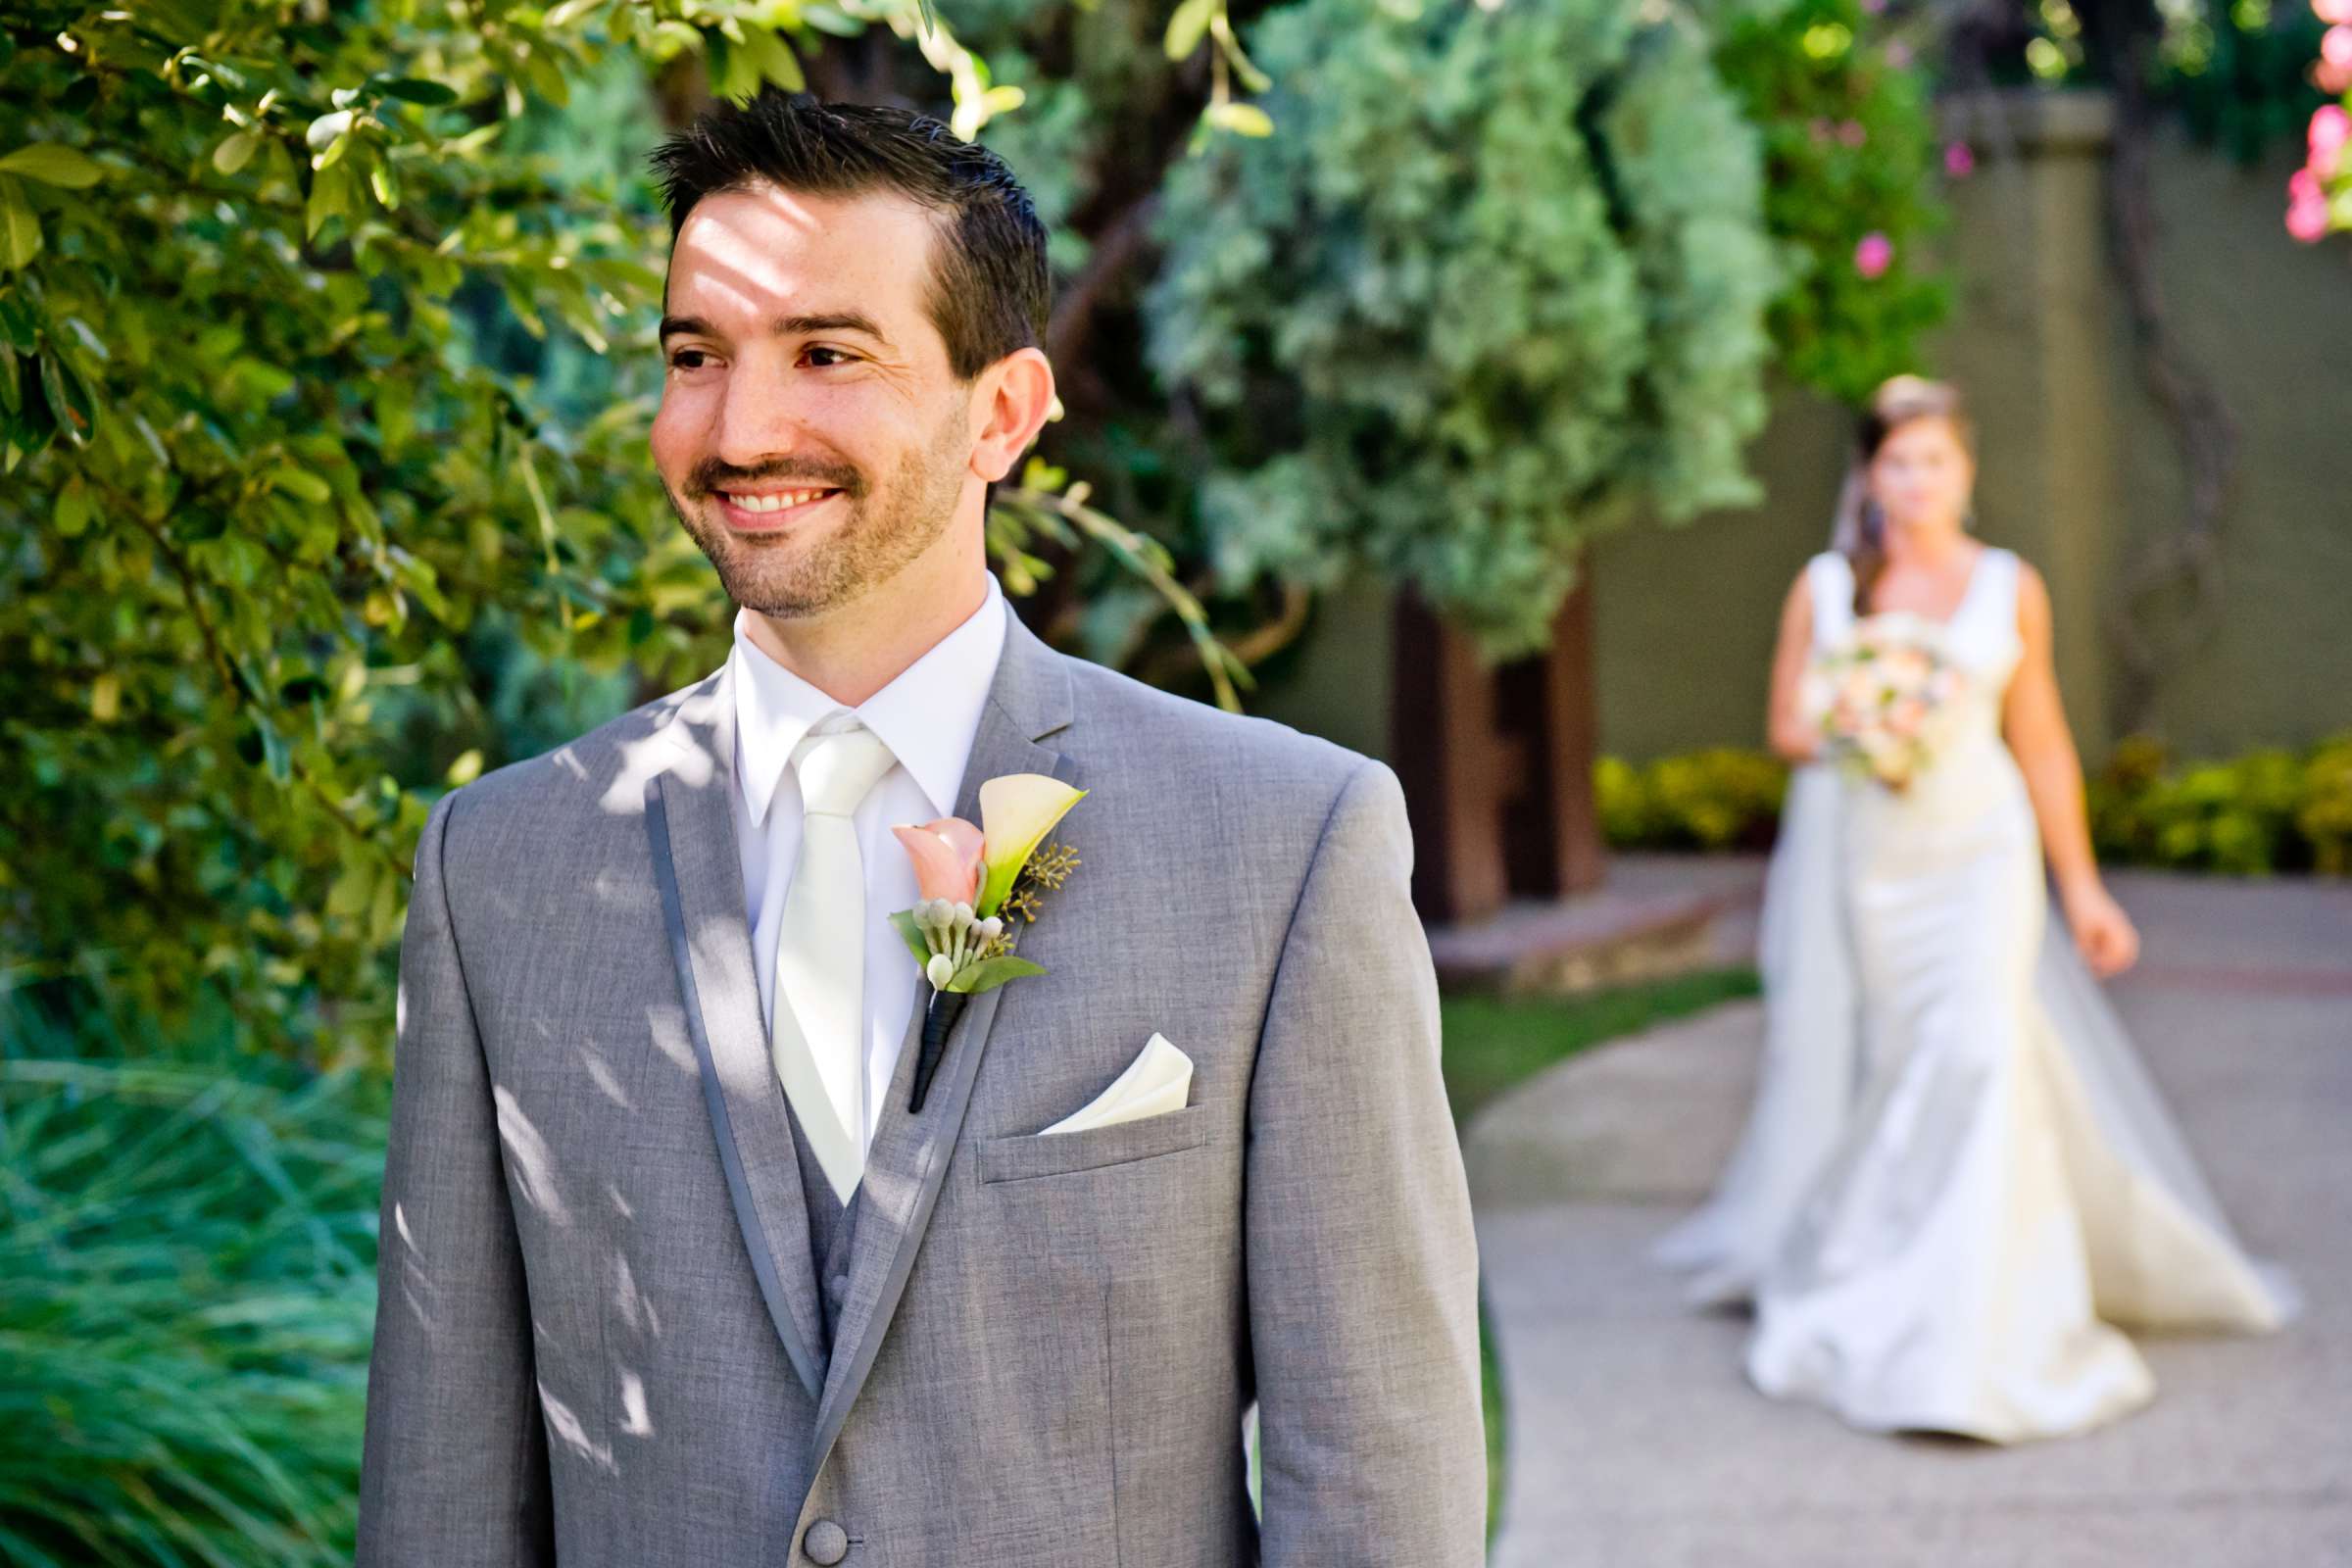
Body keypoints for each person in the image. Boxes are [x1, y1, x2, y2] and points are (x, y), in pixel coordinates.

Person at [356, 93, 1484, 1565]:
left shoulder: (1285, 845)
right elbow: (442, 1491)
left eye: (827, 353)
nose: (741, 429)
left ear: (1002, 414)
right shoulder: (499, 867)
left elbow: (1378, 1479)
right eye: (697, 357)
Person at [1660, 374, 2296, 1444]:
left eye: (1936, 461)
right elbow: (1786, 725)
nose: (1916, 482)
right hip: (1880, 864)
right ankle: (1880, 1276)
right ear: (1871, 473)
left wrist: (2083, 888)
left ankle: (1979, 1331)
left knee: (1981, 1056)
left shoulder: (2011, 585)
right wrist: (1872, 725)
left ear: (1966, 468)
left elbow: (2041, 741)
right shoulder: (1827, 587)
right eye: (1896, 463)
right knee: (1910, 1063)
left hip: (1983, 855)